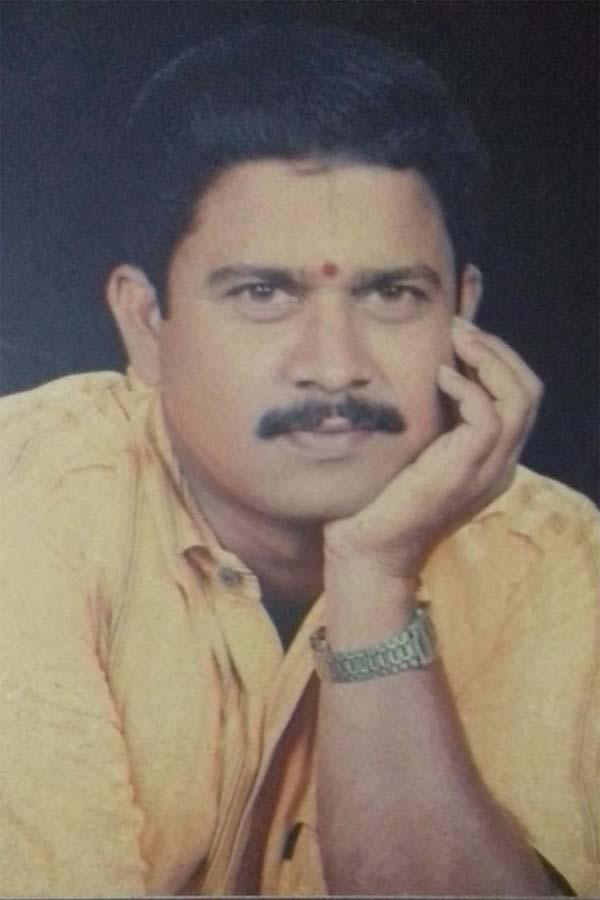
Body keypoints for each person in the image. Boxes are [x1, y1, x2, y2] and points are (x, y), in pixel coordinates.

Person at [1, 24, 598, 898]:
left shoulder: (555, 558)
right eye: (263, 292)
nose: (333, 365)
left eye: (391, 293)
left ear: (462, 314)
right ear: (146, 323)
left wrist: (376, 578)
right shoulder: (25, 498)